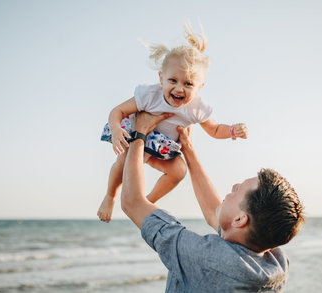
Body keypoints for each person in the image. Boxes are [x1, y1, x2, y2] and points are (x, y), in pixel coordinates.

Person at [121, 111, 305, 292]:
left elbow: (132, 203)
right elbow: (213, 212)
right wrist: (188, 149)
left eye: (239, 190)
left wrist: (139, 134)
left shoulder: (208, 258)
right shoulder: (275, 262)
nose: (233, 186)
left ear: (240, 220)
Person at [97, 23, 248, 223]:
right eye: (173, 81)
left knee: (179, 171)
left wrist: (231, 131)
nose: (179, 89)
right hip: (138, 140)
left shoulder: (196, 107)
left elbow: (214, 129)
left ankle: (148, 201)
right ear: (161, 78)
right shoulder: (150, 95)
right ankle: (110, 195)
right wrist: (116, 129)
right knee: (122, 160)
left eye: (188, 84)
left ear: (199, 87)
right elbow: (118, 111)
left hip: (163, 149)